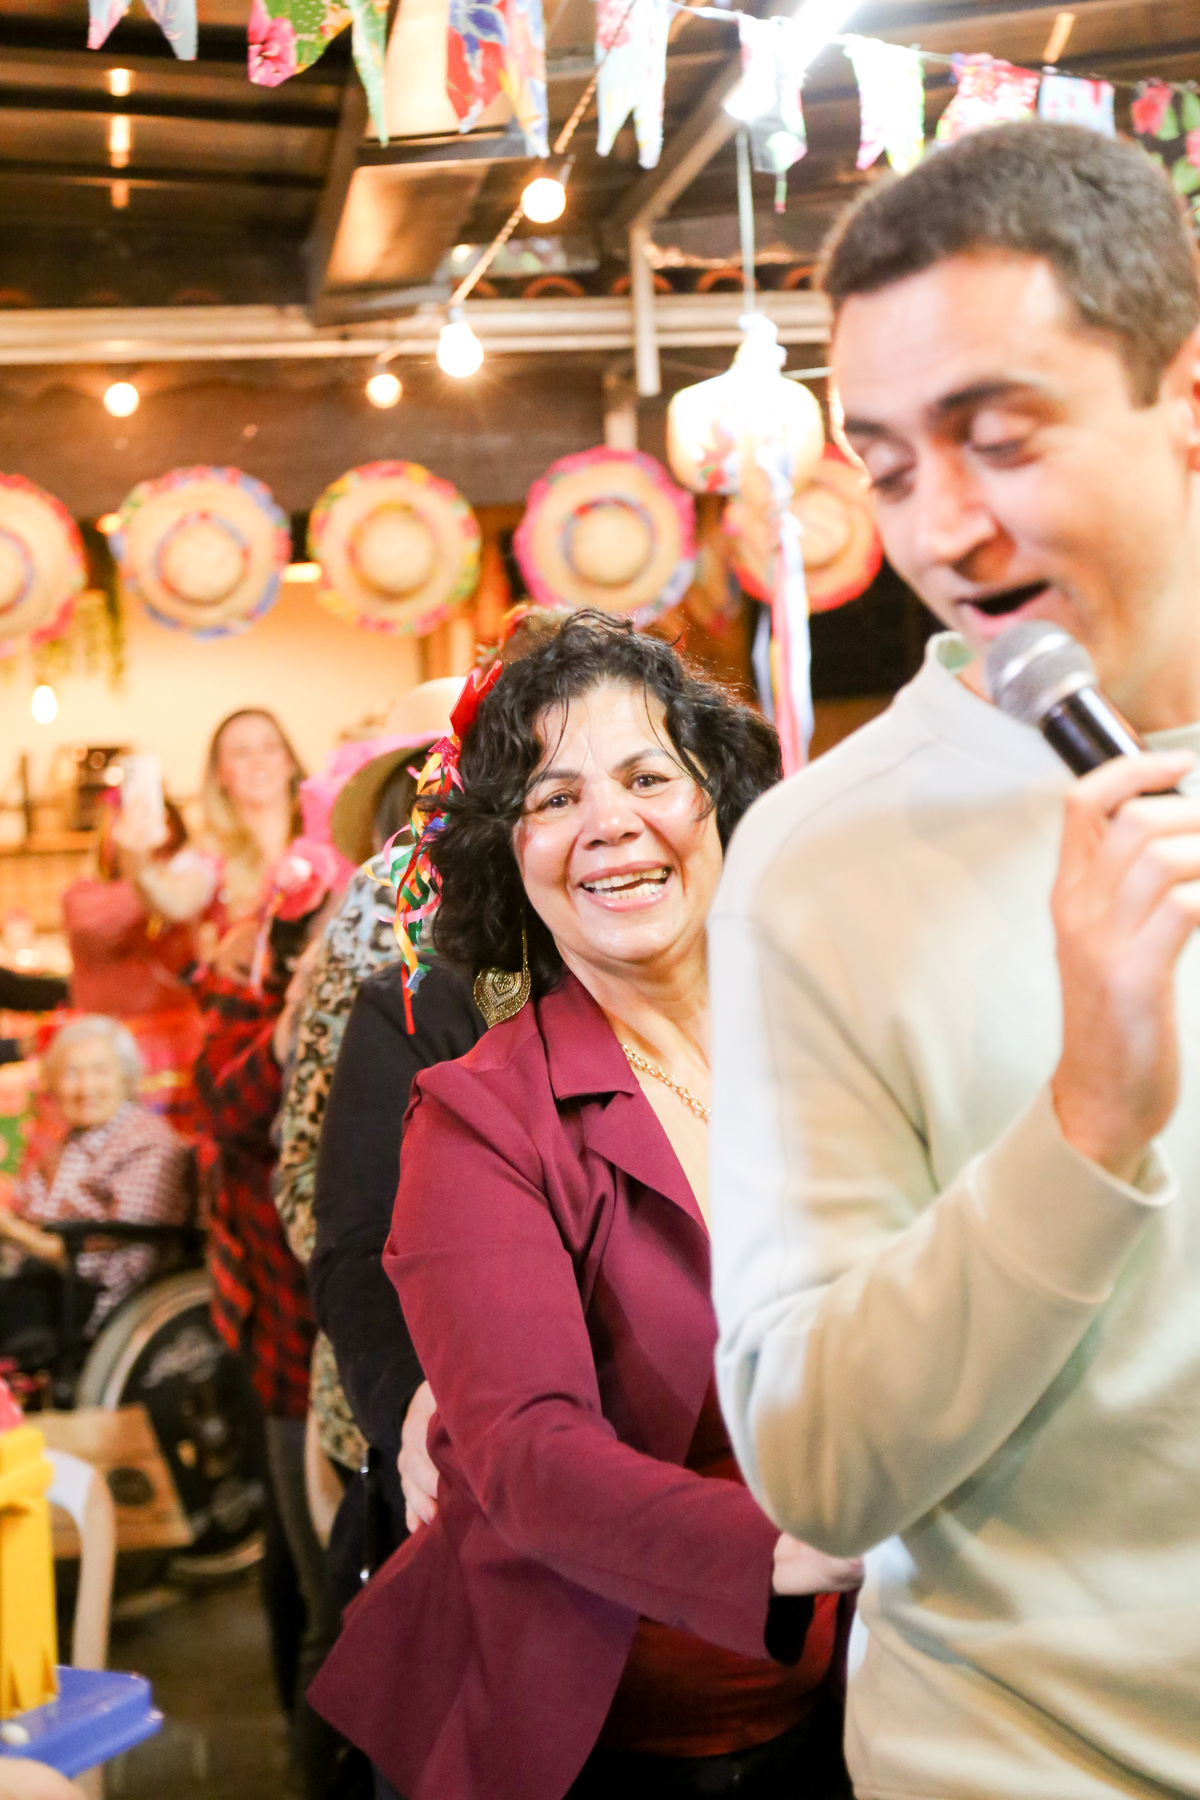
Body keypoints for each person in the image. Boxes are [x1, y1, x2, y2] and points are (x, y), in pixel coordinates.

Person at [708, 122, 1200, 1800]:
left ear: (1187, 394)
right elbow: (816, 1466)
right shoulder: (822, 859)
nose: (949, 532)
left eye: (999, 439)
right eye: (893, 466)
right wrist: (1086, 1117)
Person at [311, 613, 862, 1800]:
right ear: (509, 856)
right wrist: (802, 1548)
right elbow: (526, 1452)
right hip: (586, 1730)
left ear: (719, 802)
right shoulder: (478, 1117)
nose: (609, 822)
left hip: (861, 1699)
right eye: (553, 799)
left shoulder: (835, 1050)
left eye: (649, 776)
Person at [0, 1015, 190, 1351]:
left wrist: (17, 1232)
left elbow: (123, 1255)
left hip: (86, 1299)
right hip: (37, 1277)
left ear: (126, 1078)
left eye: (100, 1071)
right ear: (54, 1085)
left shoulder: (147, 1143)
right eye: (72, 1074)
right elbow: (28, 1206)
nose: (86, 1087)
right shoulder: (72, 1141)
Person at [62, 793, 215, 1135]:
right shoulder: (86, 894)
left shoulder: (190, 878)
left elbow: (173, 905)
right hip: (104, 1049)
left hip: (171, 1049)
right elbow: (95, 923)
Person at [200, 709, 305, 927]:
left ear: (290, 762)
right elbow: (169, 903)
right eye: (241, 752)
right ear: (220, 773)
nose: (258, 761)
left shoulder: (331, 844)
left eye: (271, 748)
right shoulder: (206, 861)